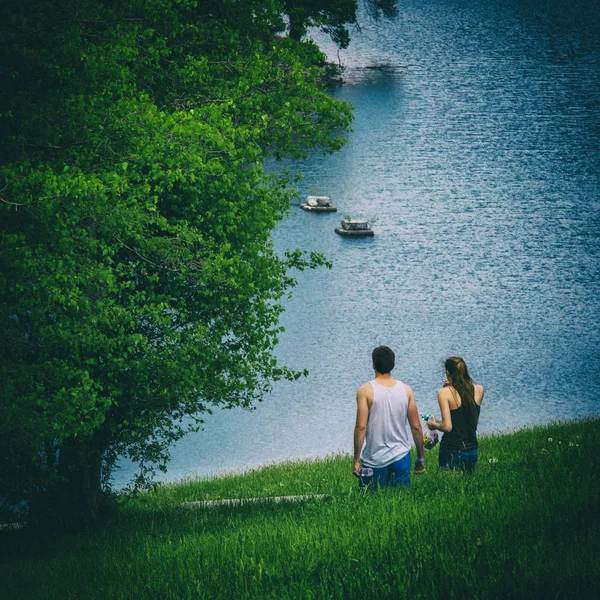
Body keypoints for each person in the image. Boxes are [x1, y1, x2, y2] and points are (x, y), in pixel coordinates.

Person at [353, 346, 425, 488]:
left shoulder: (365, 391)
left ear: (373, 364)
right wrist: (420, 457)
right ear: (393, 365)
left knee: (369, 502)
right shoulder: (406, 390)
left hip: (374, 460)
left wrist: (356, 459)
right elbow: (416, 427)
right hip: (401, 457)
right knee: (401, 502)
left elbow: (361, 428)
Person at [427, 356, 484, 472]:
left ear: (447, 372)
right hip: (472, 450)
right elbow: (464, 411)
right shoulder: (479, 389)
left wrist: (434, 424)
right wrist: (453, 385)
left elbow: (447, 427)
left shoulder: (443, 393)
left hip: (451, 451)